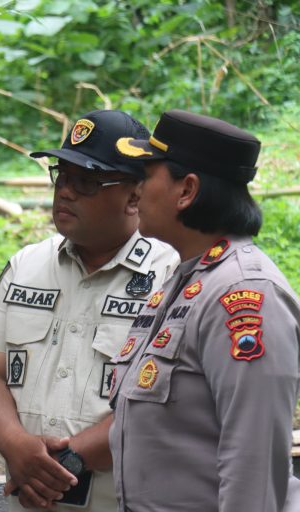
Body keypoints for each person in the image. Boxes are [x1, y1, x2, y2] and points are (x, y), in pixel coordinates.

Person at [0, 110, 179, 511]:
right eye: (61, 176)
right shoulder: (26, 266)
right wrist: (15, 445)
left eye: (86, 181)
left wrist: (62, 463)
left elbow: (168, 400)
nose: (65, 192)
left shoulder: (172, 273)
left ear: (134, 195)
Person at [109, 109, 300, 511]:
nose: (135, 191)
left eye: (146, 176)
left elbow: (252, 468)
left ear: (187, 190)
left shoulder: (244, 294)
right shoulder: (187, 279)